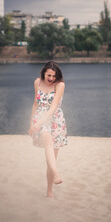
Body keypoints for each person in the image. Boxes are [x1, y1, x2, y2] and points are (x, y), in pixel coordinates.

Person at [28, 61, 67, 198]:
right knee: (47, 139)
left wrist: (38, 123)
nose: (51, 78)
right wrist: (32, 123)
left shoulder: (60, 85)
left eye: (53, 76)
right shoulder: (37, 82)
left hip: (55, 121)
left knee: (52, 161)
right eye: (48, 75)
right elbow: (35, 103)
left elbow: (53, 107)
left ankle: (49, 191)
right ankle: (56, 174)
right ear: (44, 73)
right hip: (39, 119)